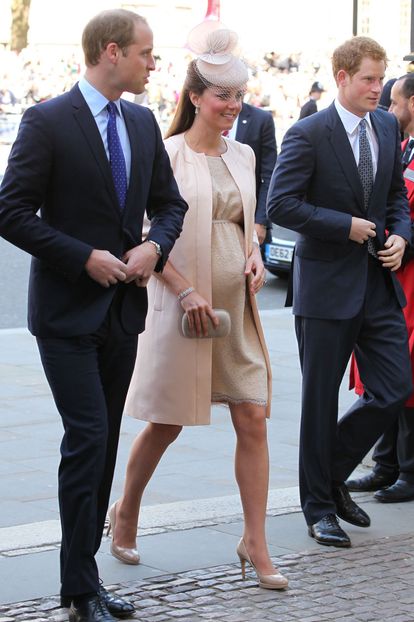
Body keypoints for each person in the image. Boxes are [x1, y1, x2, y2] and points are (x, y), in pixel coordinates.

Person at [0, 9, 187, 622]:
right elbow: (11, 212)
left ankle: (87, 581)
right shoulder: (46, 120)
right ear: (112, 52)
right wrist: (84, 258)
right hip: (65, 314)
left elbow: (169, 203)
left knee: (102, 446)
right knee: (88, 438)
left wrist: (153, 246)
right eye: (145, 53)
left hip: (122, 315)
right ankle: (78, 591)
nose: (153, 64)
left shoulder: (140, 120)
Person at [107, 27, 288, 591]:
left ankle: (254, 540)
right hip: (186, 306)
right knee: (167, 424)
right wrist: (185, 287)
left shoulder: (246, 152)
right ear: (193, 97)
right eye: (222, 97)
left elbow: (243, 223)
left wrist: (255, 256)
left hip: (238, 309)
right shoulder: (166, 153)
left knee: (252, 417)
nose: (233, 108)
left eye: (238, 98)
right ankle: (126, 509)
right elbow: (142, 236)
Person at [267, 36, 412, 548]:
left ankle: (329, 474)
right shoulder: (308, 133)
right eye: (370, 79)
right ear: (342, 78)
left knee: (394, 387)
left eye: (382, 78)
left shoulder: (388, 125)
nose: (379, 88)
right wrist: (343, 226)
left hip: (376, 282)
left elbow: (396, 196)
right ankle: (320, 508)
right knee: (319, 400)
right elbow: (281, 204)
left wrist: (400, 235)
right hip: (325, 286)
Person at [347, 73, 414, 503]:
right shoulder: (405, 146)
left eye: (396, 102)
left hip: (411, 272)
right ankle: (386, 464)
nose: (390, 111)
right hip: (396, 274)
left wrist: (405, 241)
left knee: (407, 372)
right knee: (388, 372)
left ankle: (408, 470)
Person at [225, 101, 277, 245]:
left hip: (247, 222)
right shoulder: (206, 113)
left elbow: (269, 175)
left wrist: (261, 220)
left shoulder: (261, 119)